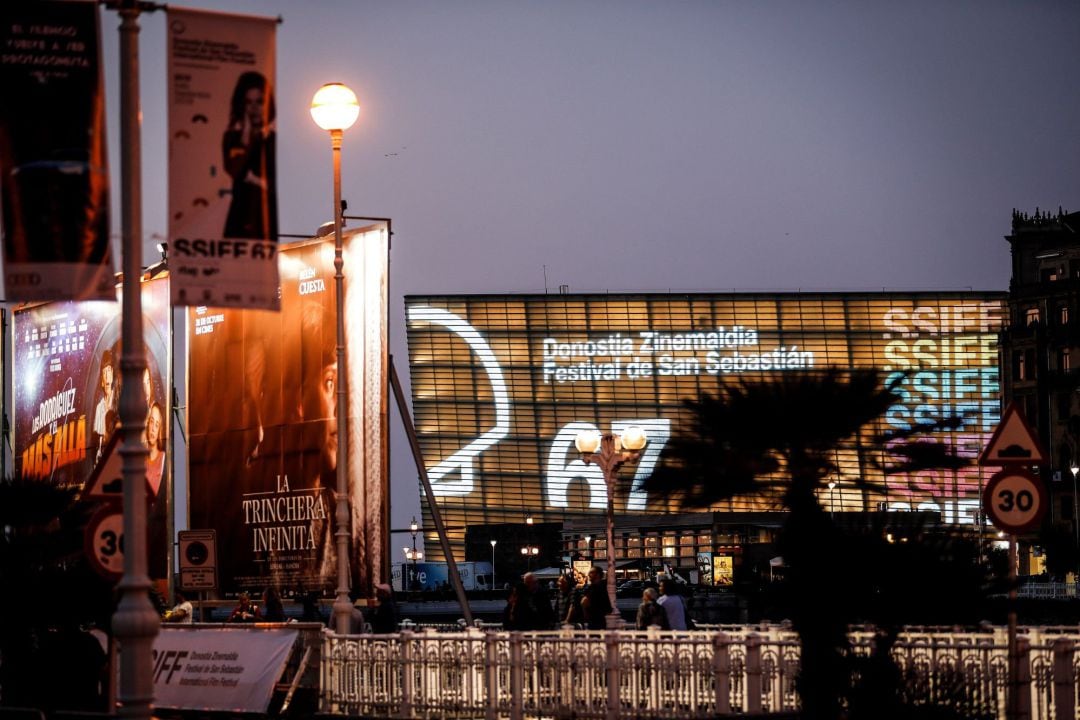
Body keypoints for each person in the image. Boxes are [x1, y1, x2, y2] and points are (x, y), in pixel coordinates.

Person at [223, 70, 277, 240]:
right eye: (248, 102)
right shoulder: (232, 139)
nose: (254, 108)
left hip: (265, 217)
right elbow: (235, 170)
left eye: (260, 102)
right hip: (239, 216)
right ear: (241, 105)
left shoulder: (273, 140)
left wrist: (253, 179)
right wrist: (246, 135)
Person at [92, 349, 117, 463]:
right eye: (104, 372)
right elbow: (98, 439)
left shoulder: (118, 400)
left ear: (112, 373)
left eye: (109, 370)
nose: (107, 375)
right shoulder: (99, 407)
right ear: (101, 379)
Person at [144, 401, 166, 496]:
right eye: (152, 422)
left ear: (160, 430)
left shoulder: (163, 459)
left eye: (157, 425)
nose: (153, 428)